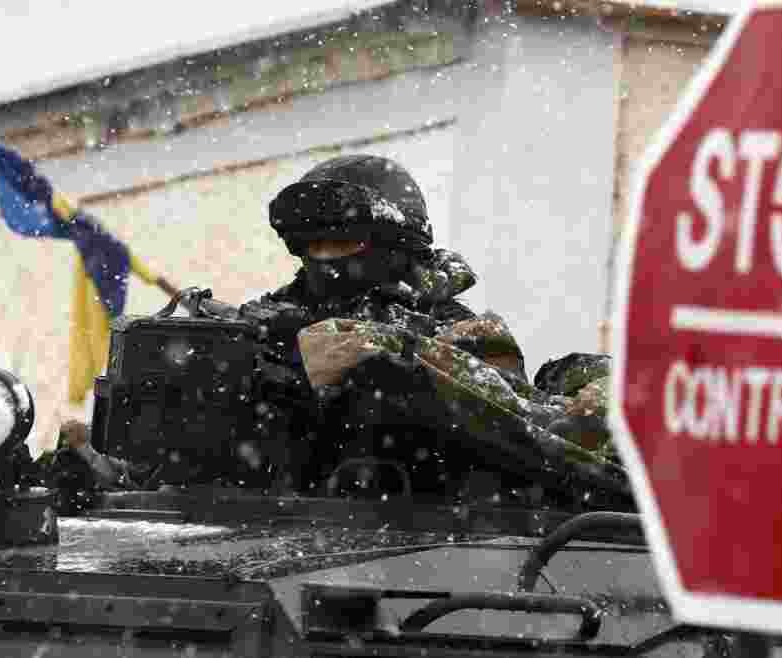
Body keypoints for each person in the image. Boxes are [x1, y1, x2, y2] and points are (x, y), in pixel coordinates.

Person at [48, 154, 618, 506]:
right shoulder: (260, 329)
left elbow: (527, 433)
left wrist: (382, 361)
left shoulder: (464, 332)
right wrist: (108, 465)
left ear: (395, 247)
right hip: (268, 545)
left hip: (409, 554)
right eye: (311, 246)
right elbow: (203, 460)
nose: (324, 260)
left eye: (342, 243)